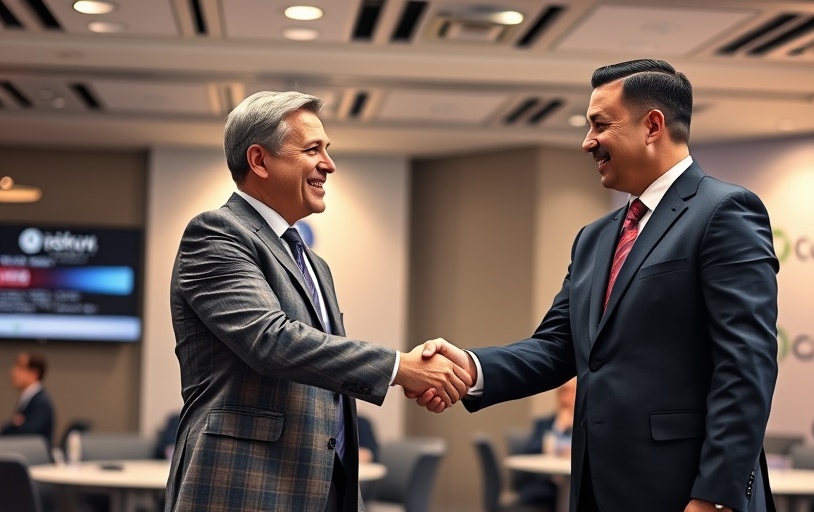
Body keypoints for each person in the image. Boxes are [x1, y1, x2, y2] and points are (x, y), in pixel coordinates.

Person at [414, 59, 779, 512]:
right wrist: (469, 368)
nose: (588, 142)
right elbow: (556, 346)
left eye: (599, 125)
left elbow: (747, 367)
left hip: (687, 494)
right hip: (598, 489)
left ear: (652, 125)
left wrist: (714, 497)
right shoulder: (594, 238)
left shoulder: (725, 212)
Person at [165, 90, 472, 512]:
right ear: (259, 160)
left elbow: (322, 375)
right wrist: (401, 368)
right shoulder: (216, 233)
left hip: (324, 488)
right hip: (241, 487)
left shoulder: (313, 263)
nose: (329, 164)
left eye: (327, 150)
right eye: (313, 150)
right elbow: (271, 341)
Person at [514, 378, 577, 510]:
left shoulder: (583, 426)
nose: (567, 397)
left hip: (575, 483)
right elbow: (530, 451)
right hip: (546, 483)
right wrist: (558, 428)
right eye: (563, 392)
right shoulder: (544, 423)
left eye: (572, 392)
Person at [2, 352, 55, 451]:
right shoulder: (28, 399)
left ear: (33, 373)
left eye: (19, 367)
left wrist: (9, 428)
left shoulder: (40, 402)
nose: (12, 372)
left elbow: (25, 435)